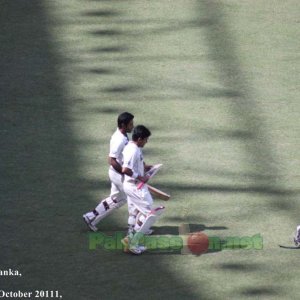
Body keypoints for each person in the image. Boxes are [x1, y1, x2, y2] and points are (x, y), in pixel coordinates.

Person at [83, 112, 134, 231]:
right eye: (130, 124)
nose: (132, 126)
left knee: (116, 199)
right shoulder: (119, 139)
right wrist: (124, 172)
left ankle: (91, 217)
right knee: (133, 198)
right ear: (123, 124)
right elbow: (111, 160)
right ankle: (138, 228)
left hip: (116, 173)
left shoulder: (123, 135)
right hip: (117, 174)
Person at [121, 125, 165, 255]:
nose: (147, 142)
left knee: (138, 212)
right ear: (139, 139)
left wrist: (145, 168)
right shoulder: (133, 150)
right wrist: (140, 177)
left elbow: (134, 165)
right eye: (146, 139)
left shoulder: (133, 147)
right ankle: (132, 243)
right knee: (150, 214)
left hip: (135, 186)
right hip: (135, 186)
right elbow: (125, 169)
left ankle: (129, 238)